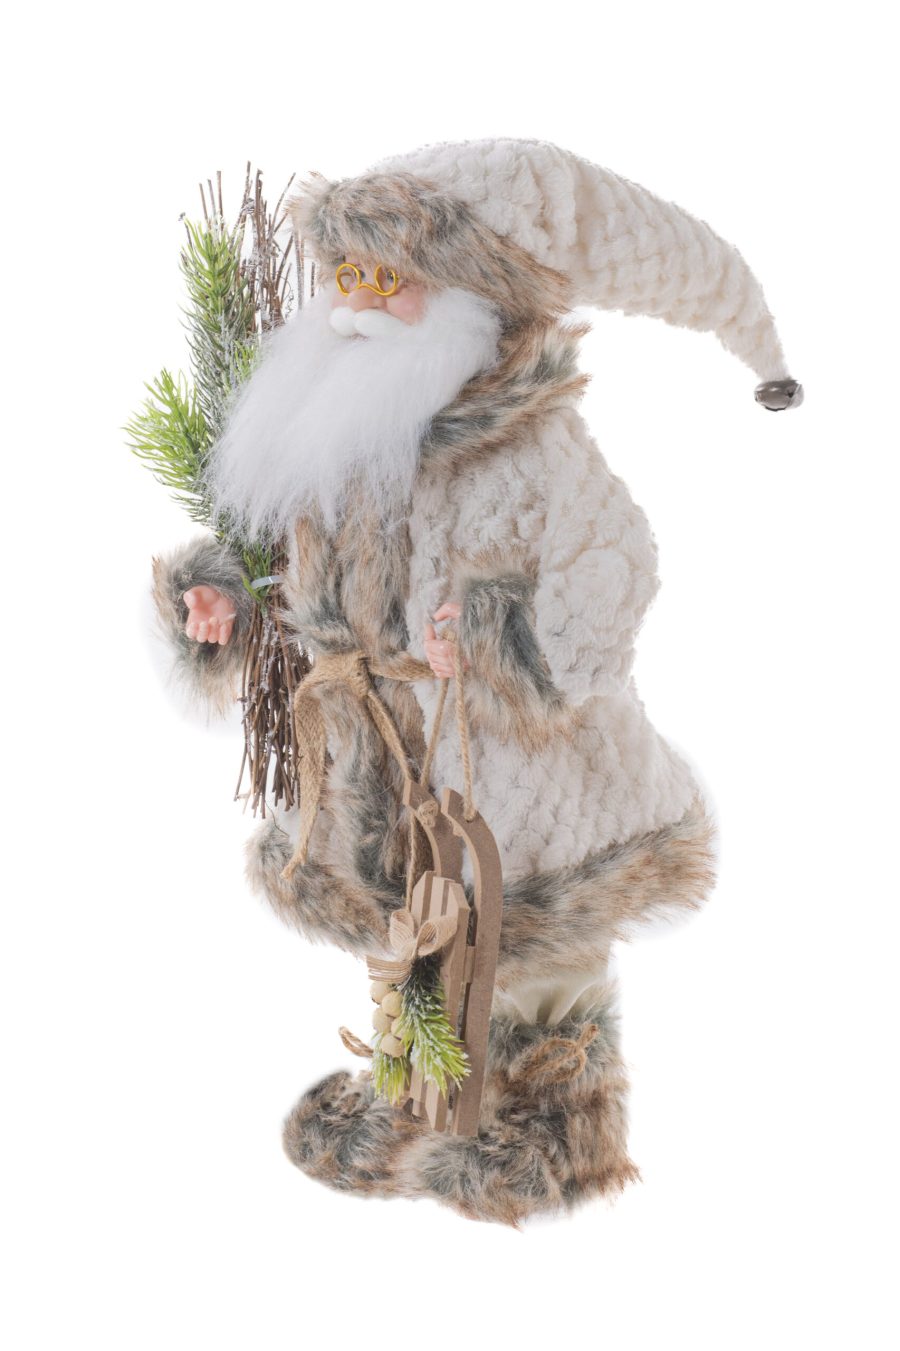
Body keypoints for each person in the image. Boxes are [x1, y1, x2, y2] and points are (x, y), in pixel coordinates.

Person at [150, 137, 801, 1226]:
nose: (356, 304)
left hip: (517, 762)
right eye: (345, 274)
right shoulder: (341, 435)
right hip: (385, 748)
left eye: (388, 277)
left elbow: (618, 565)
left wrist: (498, 630)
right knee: (415, 933)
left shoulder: (533, 449)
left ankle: (556, 1129)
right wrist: (216, 601)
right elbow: (279, 566)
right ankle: (414, 1102)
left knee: (530, 947)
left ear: (469, 294)